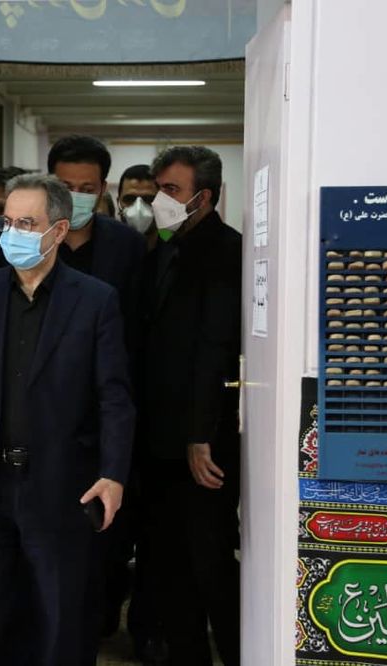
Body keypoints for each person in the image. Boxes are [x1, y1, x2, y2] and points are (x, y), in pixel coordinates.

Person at [0, 173, 135, 666]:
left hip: (61, 484)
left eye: (27, 223)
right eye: (7, 222)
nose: (13, 233)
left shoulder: (95, 300)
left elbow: (114, 395)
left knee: (58, 619)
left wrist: (113, 473)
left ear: (59, 230)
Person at [139, 146, 242, 665]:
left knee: (211, 563)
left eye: (170, 190)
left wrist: (200, 436)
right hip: (158, 439)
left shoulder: (227, 251)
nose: (159, 200)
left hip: (203, 443)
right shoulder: (162, 246)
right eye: (158, 188)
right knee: (168, 566)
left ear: (204, 197)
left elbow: (214, 346)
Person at [0, 135, 145, 344]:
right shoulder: (12, 233)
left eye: (87, 190)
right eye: (66, 187)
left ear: (103, 189)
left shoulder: (128, 244)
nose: (74, 197)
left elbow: (132, 325)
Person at [117, 164, 160, 247]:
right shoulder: (104, 248)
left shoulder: (178, 247)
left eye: (148, 199)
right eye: (129, 199)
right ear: (118, 203)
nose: (139, 208)